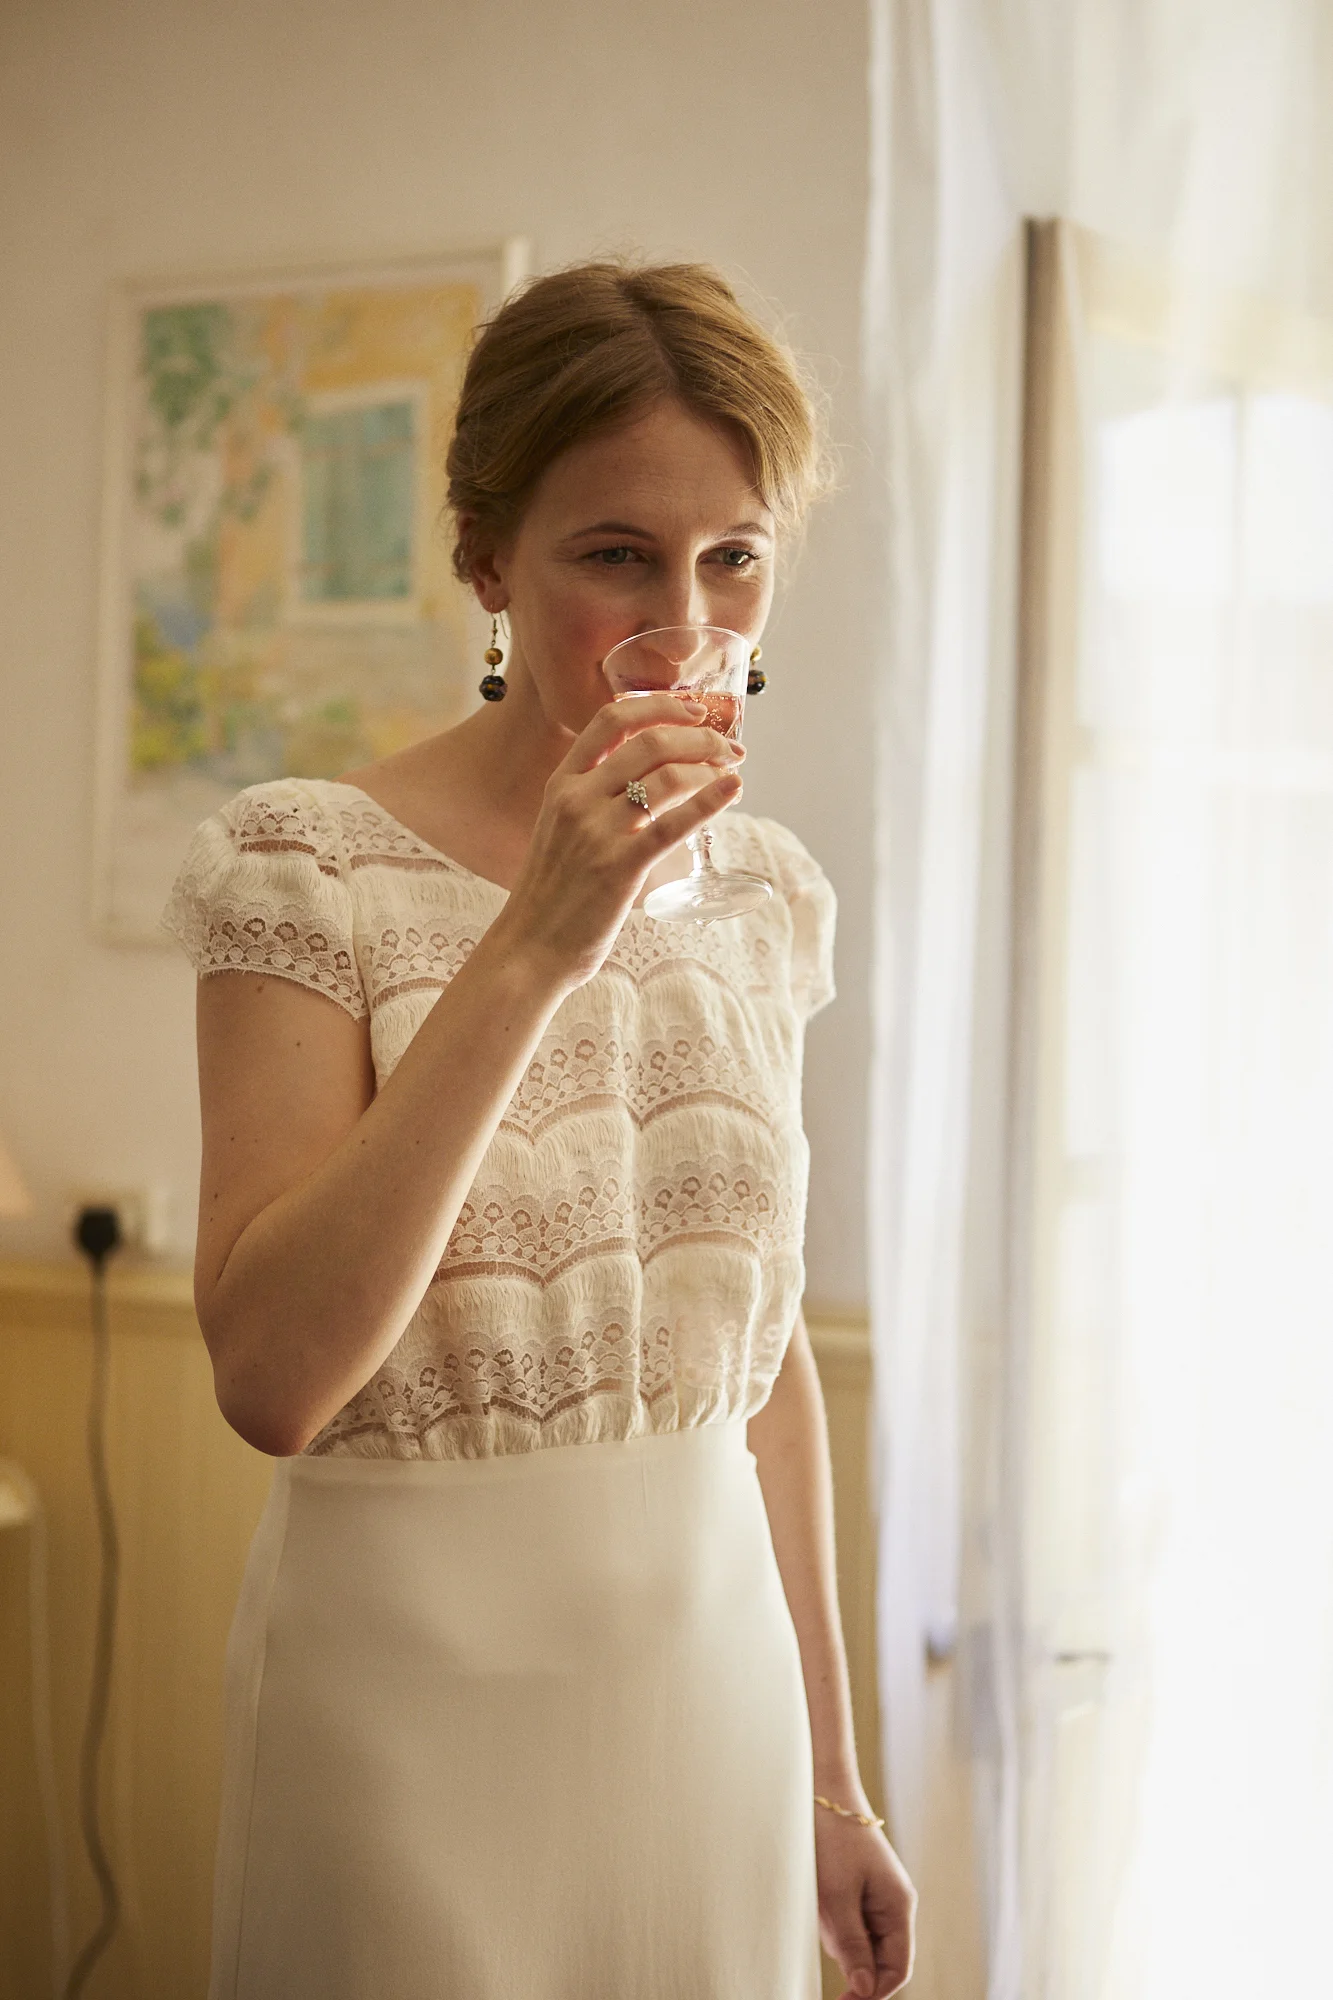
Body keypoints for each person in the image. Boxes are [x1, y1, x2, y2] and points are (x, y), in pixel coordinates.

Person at [163, 259, 917, 2000]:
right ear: (487, 560)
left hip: (712, 1697)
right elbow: (271, 1378)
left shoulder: (767, 897)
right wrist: (539, 941)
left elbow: (763, 1359)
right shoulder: (306, 867)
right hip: (408, 1709)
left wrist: (830, 1773)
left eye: (734, 555)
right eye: (615, 556)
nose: (687, 615)